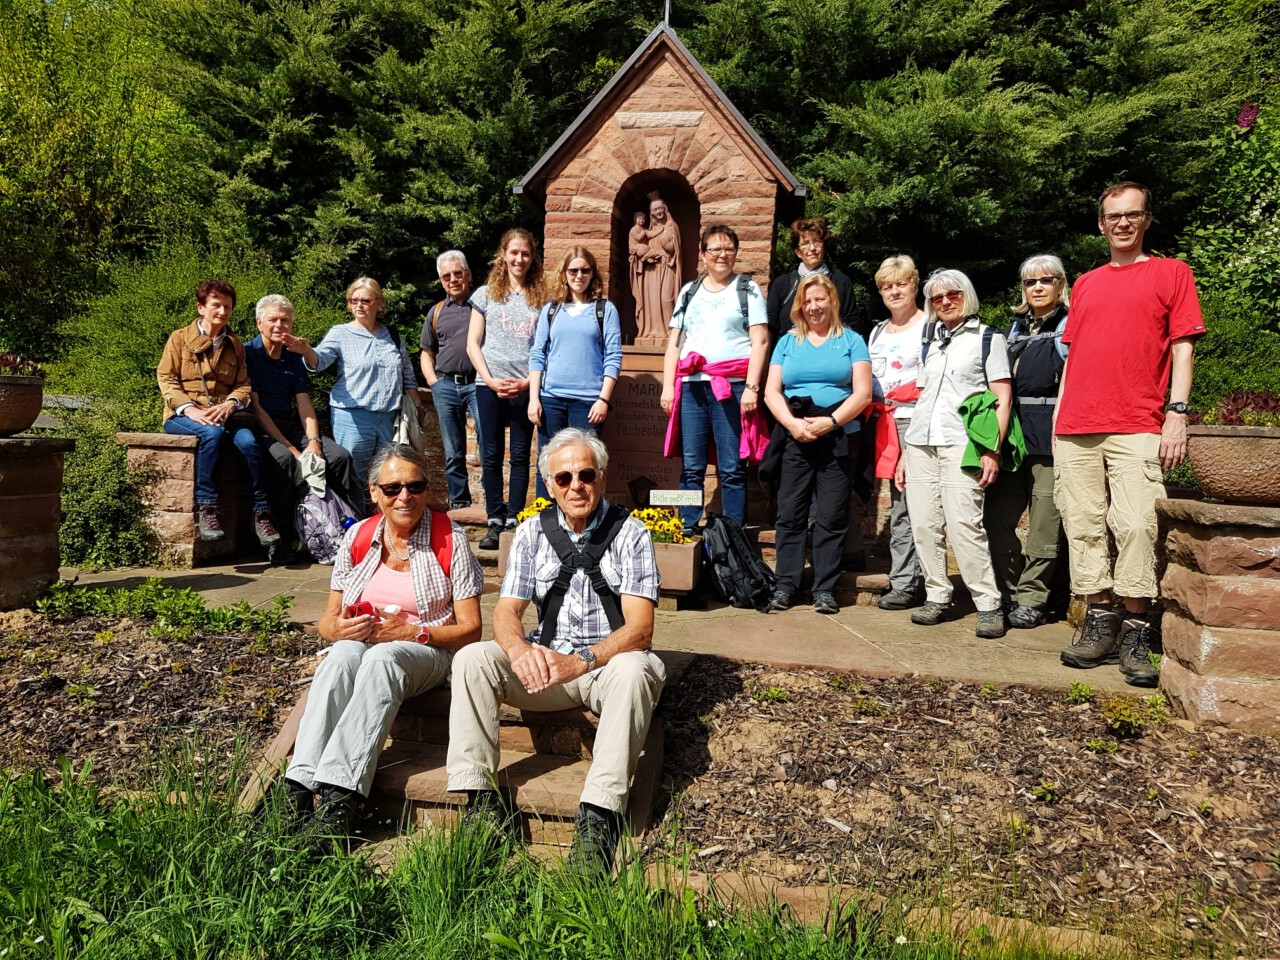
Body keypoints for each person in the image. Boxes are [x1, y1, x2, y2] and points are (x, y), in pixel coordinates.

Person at [446, 428, 666, 874]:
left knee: (635, 671)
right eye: (563, 478)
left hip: (604, 668)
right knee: (472, 658)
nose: (575, 486)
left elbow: (641, 629)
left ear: (602, 477)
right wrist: (519, 648)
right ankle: (480, 800)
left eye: (586, 474)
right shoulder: (530, 533)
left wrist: (581, 661)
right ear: (549, 485)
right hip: (547, 669)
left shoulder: (632, 533)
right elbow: (507, 611)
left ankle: (599, 818)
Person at [282, 443, 484, 837]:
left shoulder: (450, 539)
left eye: (414, 486)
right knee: (340, 656)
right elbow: (327, 619)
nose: (404, 496)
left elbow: (471, 629)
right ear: (374, 492)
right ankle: (299, 788)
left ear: (427, 490)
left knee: (383, 658)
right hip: (365, 648)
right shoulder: (358, 536)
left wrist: (413, 631)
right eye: (392, 489)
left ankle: (341, 799)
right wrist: (338, 629)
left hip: (428, 650)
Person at [1055, 181, 1205, 687]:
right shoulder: (1086, 283)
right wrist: (1059, 422)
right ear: (1101, 224)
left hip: (1138, 422)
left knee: (1138, 525)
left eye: (1132, 214)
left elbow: (1182, 349)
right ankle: (1099, 620)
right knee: (1082, 524)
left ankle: (1136, 627)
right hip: (1076, 426)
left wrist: (1176, 413)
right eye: (1113, 215)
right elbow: (1075, 357)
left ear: (1145, 221)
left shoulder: (1171, 273)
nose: (1122, 223)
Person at [901, 269, 1013, 639]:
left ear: (967, 295)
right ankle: (936, 595)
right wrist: (905, 453)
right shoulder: (930, 339)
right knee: (923, 523)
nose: (945, 302)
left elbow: (1001, 398)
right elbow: (922, 397)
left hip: (961, 443)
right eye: (937, 298)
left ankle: (988, 604)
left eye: (952, 295)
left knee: (965, 525)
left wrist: (991, 449)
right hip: (920, 442)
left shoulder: (988, 338)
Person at [762, 274, 873, 615]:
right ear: (799, 306)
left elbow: (863, 392)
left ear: (833, 301)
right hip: (796, 434)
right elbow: (771, 391)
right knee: (790, 513)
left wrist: (832, 421)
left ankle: (824, 588)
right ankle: (786, 585)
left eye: (820, 299)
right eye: (807, 301)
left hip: (839, 435)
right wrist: (793, 424)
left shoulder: (852, 341)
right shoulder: (786, 342)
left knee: (831, 515)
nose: (813, 306)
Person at [660, 224, 769, 536]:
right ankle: (687, 526)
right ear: (703, 254)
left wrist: (751, 387)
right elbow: (675, 343)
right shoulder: (688, 292)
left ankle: (732, 533)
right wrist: (668, 386)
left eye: (729, 249)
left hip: (731, 389)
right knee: (691, 467)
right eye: (715, 249)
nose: (722, 255)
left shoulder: (747, 290)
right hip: (692, 388)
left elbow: (759, 342)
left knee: (732, 468)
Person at [157, 278, 280, 546]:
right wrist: (189, 410)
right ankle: (208, 510)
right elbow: (166, 379)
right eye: (216, 305)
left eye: (227, 307)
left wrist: (231, 404)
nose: (222, 312)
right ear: (201, 307)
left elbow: (244, 384)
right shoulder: (179, 339)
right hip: (183, 417)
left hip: (225, 415)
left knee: (249, 443)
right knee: (212, 435)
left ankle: (261, 512)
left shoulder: (235, 346)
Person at [984, 255, 1070, 629]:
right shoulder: (1013, 329)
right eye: (1030, 282)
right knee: (996, 519)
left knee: (1044, 527)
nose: (1037, 287)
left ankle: (1033, 598)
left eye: (1046, 280)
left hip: (1051, 440)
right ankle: (1012, 589)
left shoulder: (1070, 327)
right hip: (1013, 439)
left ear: (1061, 284)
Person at [244, 294, 359, 561]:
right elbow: (257, 409)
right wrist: (293, 449)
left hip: (291, 424)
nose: (279, 325)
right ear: (259, 323)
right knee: (285, 461)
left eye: (285, 320)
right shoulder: (248, 354)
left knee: (339, 457)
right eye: (273, 319)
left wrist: (314, 443)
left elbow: (305, 405)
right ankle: (283, 538)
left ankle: (346, 528)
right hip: (260, 426)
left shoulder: (293, 358)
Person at [287, 277, 424, 494]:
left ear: (379, 303)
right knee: (354, 479)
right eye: (354, 300)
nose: (358, 305)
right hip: (353, 418)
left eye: (365, 300)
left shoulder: (392, 335)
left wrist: (417, 406)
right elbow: (320, 361)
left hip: (388, 417)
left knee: (387, 478)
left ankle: (382, 523)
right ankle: (355, 525)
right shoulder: (341, 332)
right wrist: (306, 350)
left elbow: (407, 372)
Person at [467, 228, 546, 550]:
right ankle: (494, 518)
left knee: (519, 457)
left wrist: (528, 382)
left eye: (525, 254)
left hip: (524, 386)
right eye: (514, 253)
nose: (519, 259)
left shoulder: (541, 297)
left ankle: (514, 517)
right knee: (490, 455)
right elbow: (472, 344)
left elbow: (545, 348)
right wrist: (488, 379)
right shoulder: (486, 294)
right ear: (503, 254)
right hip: (489, 385)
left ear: (532, 257)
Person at [528, 246, 622, 498]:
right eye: (573, 270)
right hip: (551, 399)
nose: (578, 275)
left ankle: (584, 522)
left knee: (586, 465)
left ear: (592, 273)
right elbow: (538, 354)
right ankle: (546, 521)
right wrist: (534, 398)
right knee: (548, 464)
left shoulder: (605, 310)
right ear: (564, 273)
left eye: (584, 270)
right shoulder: (551, 309)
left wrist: (603, 399)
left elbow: (613, 357)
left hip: (588, 402)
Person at [867, 256, 927, 610]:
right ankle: (906, 577)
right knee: (899, 500)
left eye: (901, 283)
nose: (894, 291)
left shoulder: (929, 326)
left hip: (915, 421)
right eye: (887, 286)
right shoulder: (877, 331)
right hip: (881, 422)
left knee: (909, 504)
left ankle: (907, 583)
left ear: (914, 285)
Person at [420, 251, 483, 511]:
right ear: (440, 280)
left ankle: (494, 504)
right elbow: (426, 353)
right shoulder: (436, 312)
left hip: (478, 384)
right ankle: (460, 503)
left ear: (468, 274)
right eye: (447, 276)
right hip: (445, 385)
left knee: (488, 443)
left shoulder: (482, 305)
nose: (453, 279)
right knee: (453, 451)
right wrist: (434, 383)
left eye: (458, 273)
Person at [765, 218, 864, 350]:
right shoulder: (783, 283)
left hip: (831, 352)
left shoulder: (840, 281)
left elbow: (853, 323)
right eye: (805, 243)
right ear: (798, 252)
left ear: (824, 246)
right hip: (789, 354)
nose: (812, 248)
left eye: (817, 241)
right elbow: (770, 327)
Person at [634, 192, 682, 342]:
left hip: (667, 267)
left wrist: (670, 248)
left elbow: (676, 251)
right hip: (651, 270)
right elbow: (638, 249)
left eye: (660, 208)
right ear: (651, 213)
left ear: (665, 208)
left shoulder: (672, 227)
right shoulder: (647, 232)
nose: (658, 212)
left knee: (666, 299)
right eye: (654, 210)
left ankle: (670, 331)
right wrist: (642, 256)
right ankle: (652, 331)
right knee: (652, 300)